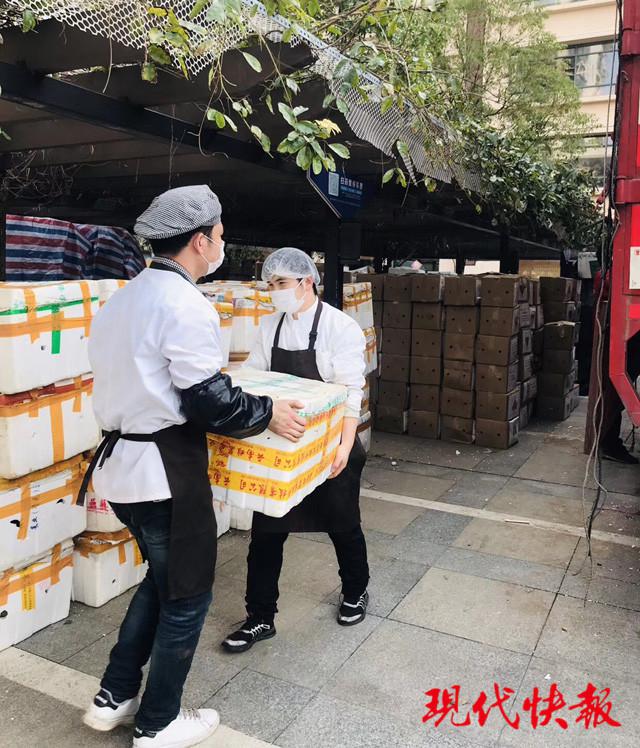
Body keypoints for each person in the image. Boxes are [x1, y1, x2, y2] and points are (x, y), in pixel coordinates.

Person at [79, 186, 306, 748]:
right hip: (165, 472)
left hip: (122, 468)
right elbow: (209, 400)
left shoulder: (124, 298)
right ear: (201, 241)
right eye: (220, 235)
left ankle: (114, 696)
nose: (223, 244)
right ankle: (158, 723)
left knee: (163, 582)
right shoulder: (184, 304)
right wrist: (268, 412)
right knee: (187, 596)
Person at [222, 247, 370, 654]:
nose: (275, 291)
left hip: (330, 444)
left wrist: (344, 446)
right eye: (270, 284)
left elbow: (351, 391)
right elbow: (254, 378)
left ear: (307, 282)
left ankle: (355, 591)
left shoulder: (340, 327)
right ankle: (259, 617)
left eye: (282, 283)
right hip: (285, 448)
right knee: (266, 535)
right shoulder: (269, 326)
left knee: (343, 524)